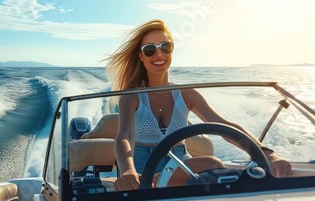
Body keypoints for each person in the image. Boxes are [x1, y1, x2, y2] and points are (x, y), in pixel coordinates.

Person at [105, 19, 292, 191]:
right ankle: (155, 181)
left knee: (214, 165)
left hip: (179, 162)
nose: (159, 54)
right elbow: (125, 136)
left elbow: (224, 126)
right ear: (141, 56)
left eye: (165, 47)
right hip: (139, 163)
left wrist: (266, 154)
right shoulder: (131, 96)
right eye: (150, 50)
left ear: (172, 50)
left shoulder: (187, 94)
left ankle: (158, 182)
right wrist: (128, 170)